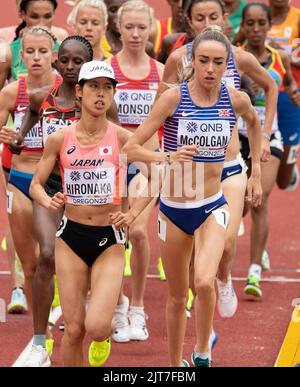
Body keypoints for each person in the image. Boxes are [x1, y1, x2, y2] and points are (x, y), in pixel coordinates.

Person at [112, 28, 262, 367]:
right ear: (192, 61)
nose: (210, 69)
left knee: (204, 282)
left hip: (212, 205)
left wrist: (256, 173)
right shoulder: (173, 98)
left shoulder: (234, 99)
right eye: (204, 61)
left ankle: (203, 352)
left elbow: (253, 123)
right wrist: (166, 158)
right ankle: (175, 363)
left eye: (218, 63)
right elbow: (131, 147)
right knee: (178, 297)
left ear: (228, 65)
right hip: (175, 207)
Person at [155, 0, 278, 320]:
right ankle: (201, 292)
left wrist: (264, 135)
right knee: (194, 246)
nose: (207, 22)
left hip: (229, 165)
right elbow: (161, 111)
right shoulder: (177, 59)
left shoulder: (237, 57)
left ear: (224, 19)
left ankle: (223, 278)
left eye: (213, 16)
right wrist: (165, 160)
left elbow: (270, 86)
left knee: (223, 242)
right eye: (200, 17)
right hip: (190, 168)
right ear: (188, 21)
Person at [30, 60, 130, 367]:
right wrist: (46, 200)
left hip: (109, 238)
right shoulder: (60, 139)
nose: (101, 94)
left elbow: (154, 175)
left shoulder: (123, 138)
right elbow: (35, 184)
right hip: (70, 237)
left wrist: (135, 211)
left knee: (97, 327)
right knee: (72, 330)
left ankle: (106, 333)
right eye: (94, 87)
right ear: (79, 92)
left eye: (107, 88)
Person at [9, 35, 94, 367]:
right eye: (66, 61)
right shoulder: (41, 98)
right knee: (46, 254)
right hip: (49, 188)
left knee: (82, 263)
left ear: (86, 65)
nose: (71, 67)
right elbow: (27, 124)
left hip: (87, 192)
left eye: (78, 62)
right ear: (57, 62)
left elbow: (117, 143)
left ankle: (82, 323)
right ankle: (39, 342)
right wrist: (17, 138)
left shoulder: (96, 102)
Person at [106, 0, 164, 343]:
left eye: (142, 27)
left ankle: (138, 308)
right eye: (129, 27)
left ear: (151, 29)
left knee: (138, 231)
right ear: (118, 27)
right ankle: (117, 304)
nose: (136, 33)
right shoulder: (107, 69)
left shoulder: (160, 72)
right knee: (115, 233)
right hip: (112, 164)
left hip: (145, 162)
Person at [238, 2, 300, 298]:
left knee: (260, 200)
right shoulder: (233, 57)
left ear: (268, 25)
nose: (256, 29)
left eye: (262, 23)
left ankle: (253, 271)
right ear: (244, 27)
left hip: (268, 136)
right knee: (239, 206)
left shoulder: (279, 58)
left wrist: (294, 93)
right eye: (250, 24)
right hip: (236, 139)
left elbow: (288, 83)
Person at [0, 26, 59, 317]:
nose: (37, 57)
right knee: (32, 261)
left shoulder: (68, 90)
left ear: (54, 55)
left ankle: (63, 304)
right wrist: (5, 135)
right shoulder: (12, 92)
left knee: (55, 256)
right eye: (31, 52)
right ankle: (42, 333)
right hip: (20, 179)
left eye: (43, 51)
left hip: (55, 181)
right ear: (21, 56)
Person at [266, 0, 300, 191]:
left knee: (284, 182)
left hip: (290, 95)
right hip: (260, 96)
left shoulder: (297, 19)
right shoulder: (258, 17)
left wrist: (281, 55)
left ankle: (288, 166)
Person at [0, 0, 68, 89]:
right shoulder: (7, 53)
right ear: (22, 14)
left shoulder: (64, 50)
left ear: (54, 14)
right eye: (34, 17)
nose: (41, 23)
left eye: (47, 16)